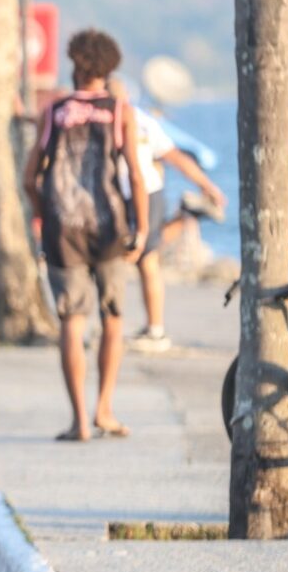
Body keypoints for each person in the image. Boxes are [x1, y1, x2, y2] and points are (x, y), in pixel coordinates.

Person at [23, 30, 149, 442]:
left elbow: (30, 178)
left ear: (75, 64)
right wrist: (142, 227)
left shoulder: (54, 110)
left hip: (64, 231)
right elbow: (134, 172)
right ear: (109, 68)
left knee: (71, 322)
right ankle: (104, 410)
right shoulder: (119, 111)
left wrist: (45, 216)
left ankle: (78, 420)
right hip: (109, 227)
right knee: (113, 318)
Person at [108, 81, 226, 352]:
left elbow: (175, 157)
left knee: (146, 258)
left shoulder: (141, 121)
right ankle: (185, 216)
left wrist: (208, 187)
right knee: (140, 253)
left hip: (143, 192)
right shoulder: (128, 118)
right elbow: (176, 158)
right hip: (131, 194)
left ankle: (155, 330)